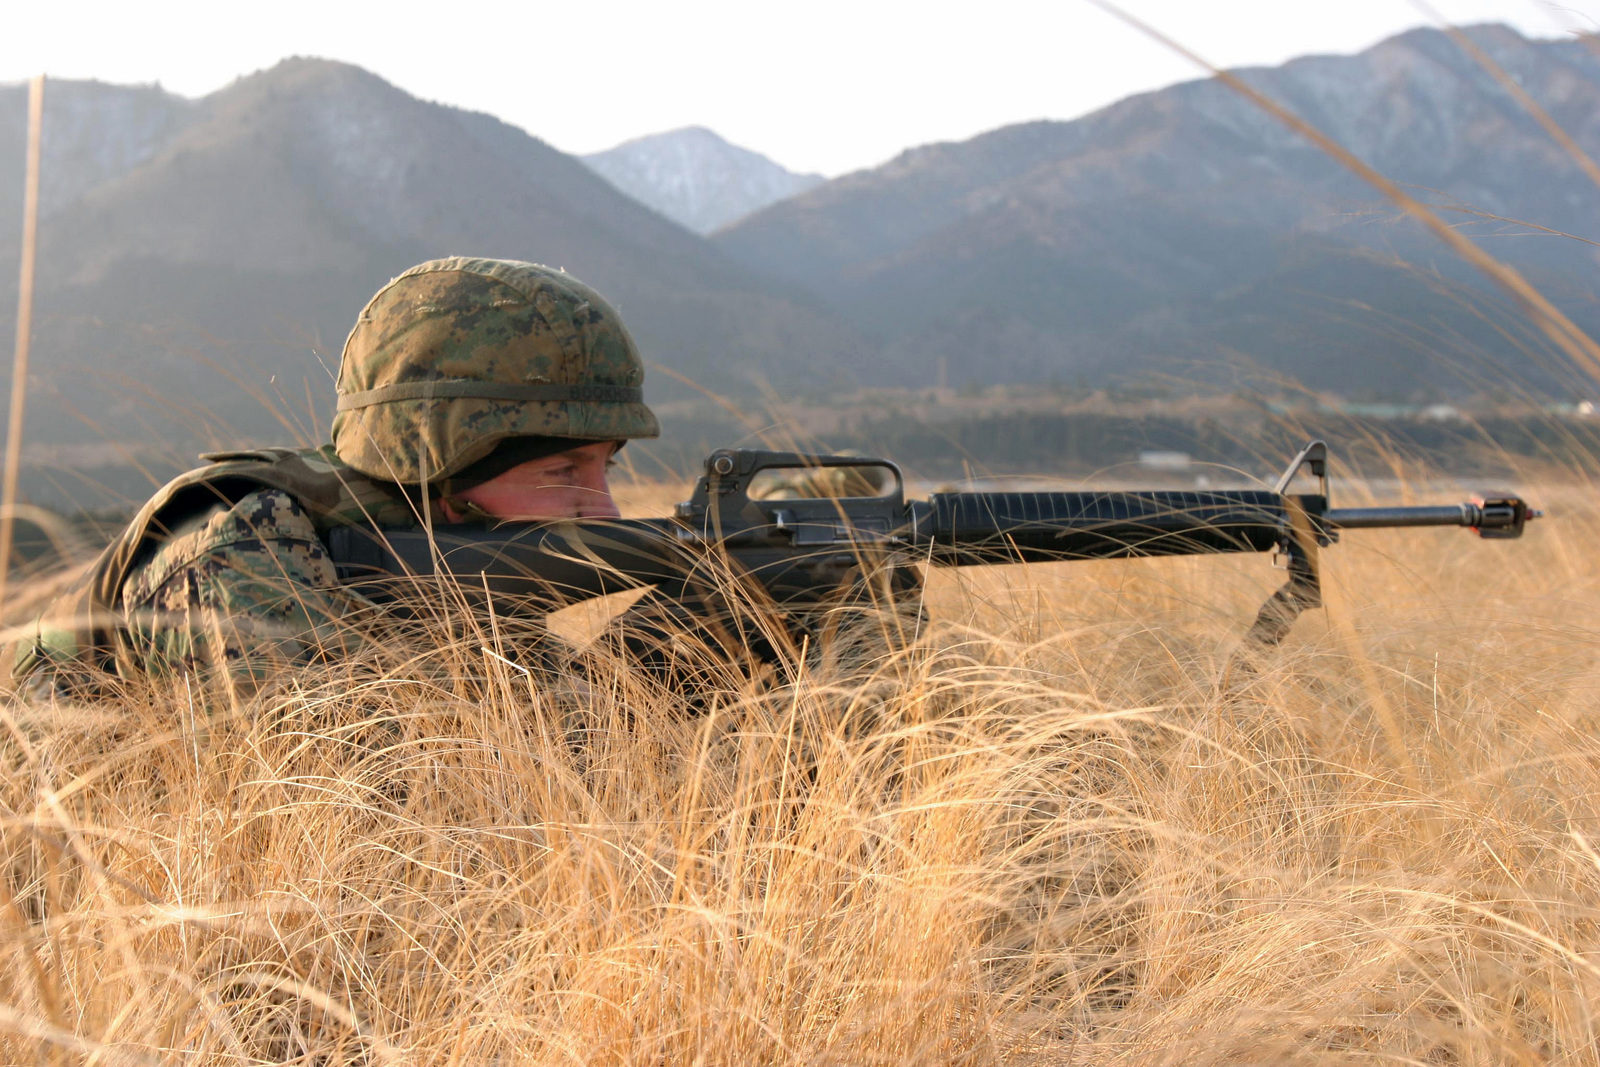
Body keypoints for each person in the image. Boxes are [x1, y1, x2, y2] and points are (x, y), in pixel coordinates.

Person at [13, 256, 662, 696]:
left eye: (605, 466)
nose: (603, 510)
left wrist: (670, 650)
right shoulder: (245, 546)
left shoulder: (455, 552)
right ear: (443, 460)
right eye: (561, 469)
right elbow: (347, 807)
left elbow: (546, 739)